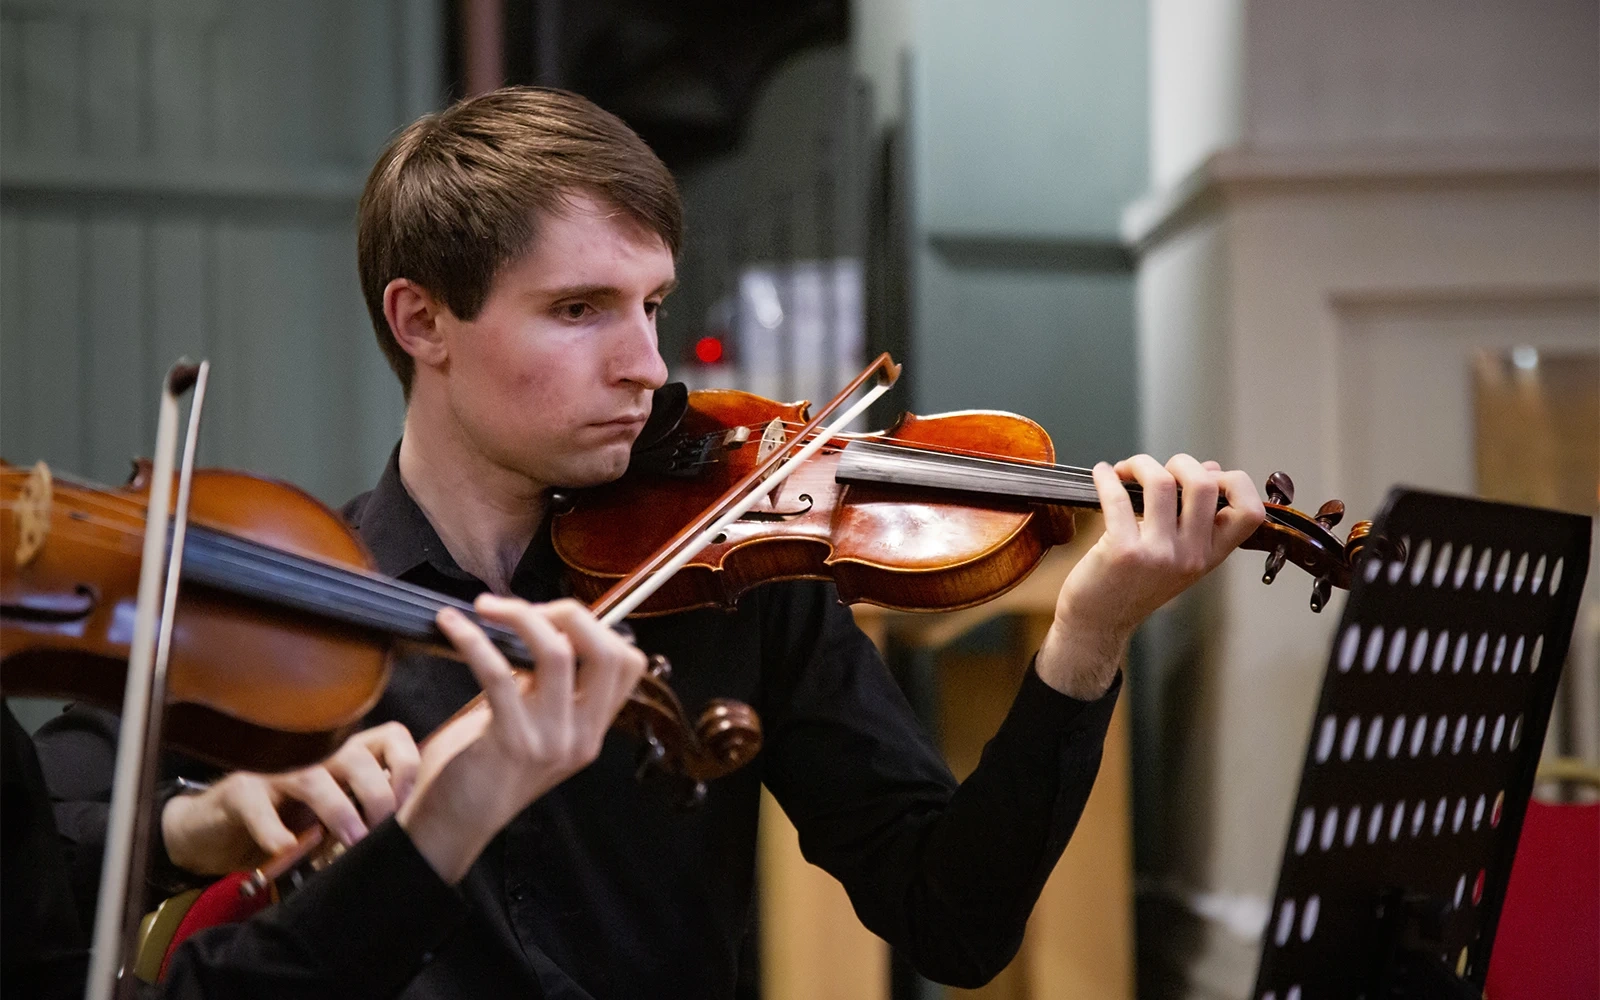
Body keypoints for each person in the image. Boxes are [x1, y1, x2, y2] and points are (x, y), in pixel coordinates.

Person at [36, 85, 1266, 999]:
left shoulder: (736, 584)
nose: (646, 365)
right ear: (423, 320)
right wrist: (201, 821)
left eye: (652, 305)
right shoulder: (277, 609)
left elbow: (953, 919)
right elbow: (43, 863)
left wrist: (1091, 635)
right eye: (579, 310)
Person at [4, 597, 647, 999]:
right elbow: (46, 826)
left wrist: (188, 827)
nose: (647, 371)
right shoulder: (270, 610)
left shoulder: (708, 572)